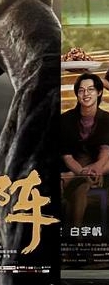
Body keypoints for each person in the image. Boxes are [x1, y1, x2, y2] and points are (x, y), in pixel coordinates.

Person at [60, 72, 109, 226]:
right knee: (81, 186)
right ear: (76, 94)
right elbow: (66, 156)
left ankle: (75, 238)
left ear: (99, 92)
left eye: (91, 89)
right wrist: (81, 172)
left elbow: (105, 151)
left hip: (96, 170)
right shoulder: (65, 119)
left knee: (79, 185)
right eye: (81, 90)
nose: (86, 94)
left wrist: (96, 169)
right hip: (75, 167)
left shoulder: (106, 119)